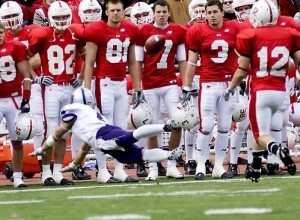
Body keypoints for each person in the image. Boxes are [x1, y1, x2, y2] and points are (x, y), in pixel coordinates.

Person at [225, 0, 298, 182]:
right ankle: (255, 168)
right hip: (280, 90)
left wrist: (231, 87)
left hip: (260, 90)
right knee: (266, 129)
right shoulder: (289, 32)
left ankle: (278, 150)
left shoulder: (250, 35)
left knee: (259, 134)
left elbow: (242, 70)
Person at [29, 88, 183, 174]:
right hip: (103, 138)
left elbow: (56, 135)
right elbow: (85, 146)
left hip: (104, 135)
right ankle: (170, 155)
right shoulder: (90, 116)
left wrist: (41, 149)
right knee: (139, 156)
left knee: (131, 137)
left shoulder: (73, 110)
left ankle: (166, 127)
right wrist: (74, 165)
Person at [27, 0, 86, 186]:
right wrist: (36, 77)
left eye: (64, 17)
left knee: (64, 132)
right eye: (57, 17)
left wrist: (82, 76)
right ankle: (46, 173)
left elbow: (87, 56)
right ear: (50, 18)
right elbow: (24, 59)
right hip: (51, 88)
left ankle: (58, 172)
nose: (61, 21)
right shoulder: (42, 34)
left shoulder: (76, 33)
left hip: (69, 86)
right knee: (51, 130)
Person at [83, 0, 143, 183]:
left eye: (119, 10)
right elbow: (89, 62)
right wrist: (86, 88)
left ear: (123, 11)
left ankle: (119, 169)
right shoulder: (97, 29)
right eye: (112, 10)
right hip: (104, 83)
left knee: (121, 128)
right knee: (103, 128)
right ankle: (102, 170)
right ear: (106, 12)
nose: (116, 13)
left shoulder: (131, 29)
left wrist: (138, 86)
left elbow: (132, 62)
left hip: (121, 83)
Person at [182, 0, 242, 180]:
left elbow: (243, 56)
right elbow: (192, 62)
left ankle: (218, 166)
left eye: (215, 12)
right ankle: (200, 165)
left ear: (222, 12)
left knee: (224, 127)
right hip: (208, 83)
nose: (212, 16)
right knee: (206, 126)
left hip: (228, 84)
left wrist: (241, 78)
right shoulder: (198, 30)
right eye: (209, 13)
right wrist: (186, 85)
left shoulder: (235, 28)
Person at [136, 0, 187, 181]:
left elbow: (182, 60)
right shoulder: (143, 31)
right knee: (151, 126)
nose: (161, 15)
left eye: (164, 12)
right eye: (158, 12)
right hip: (149, 84)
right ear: (153, 13)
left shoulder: (178, 31)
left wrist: (186, 84)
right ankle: (153, 167)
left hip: (170, 82)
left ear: (168, 12)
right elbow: (137, 62)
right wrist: (137, 86)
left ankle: (172, 164)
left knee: (178, 121)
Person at [0, 1, 48, 175]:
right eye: (6, 17)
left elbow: (40, 58)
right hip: (7, 87)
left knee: (36, 125)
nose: (11, 20)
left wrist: (20, 64)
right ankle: (16, 168)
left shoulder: (34, 30)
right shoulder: (1, 34)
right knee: (14, 132)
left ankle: (42, 164)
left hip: (30, 85)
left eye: (13, 15)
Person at [0, 22, 32, 188]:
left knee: (17, 140)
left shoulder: (15, 46)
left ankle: (18, 176)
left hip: (13, 98)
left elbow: (26, 74)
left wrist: (26, 99)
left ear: (4, 32)